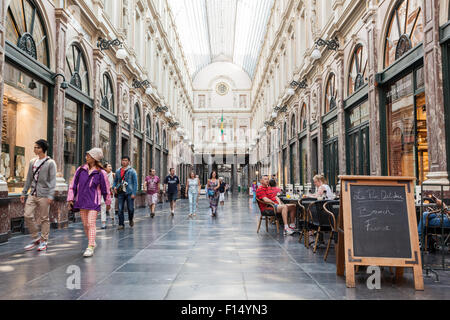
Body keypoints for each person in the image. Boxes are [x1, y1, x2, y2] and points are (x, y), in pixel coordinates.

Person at [67, 148, 111, 257]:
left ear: (95, 158)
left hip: (93, 202)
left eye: (89, 155)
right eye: (86, 155)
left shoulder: (101, 173)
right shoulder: (80, 169)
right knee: (86, 225)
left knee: (91, 223)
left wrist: (108, 202)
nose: (86, 157)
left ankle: (90, 246)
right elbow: (73, 185)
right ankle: (92, 242)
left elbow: (106, 189)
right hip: (81, 201)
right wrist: (70, 199)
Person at [21, 139, 57, 252]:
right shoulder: (32, 161)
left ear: (42, 149)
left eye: (37, 147)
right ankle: (36, 237)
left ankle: (44, 241)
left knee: (44, 219)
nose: (35, 149)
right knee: (27, 215)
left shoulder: (50, 163)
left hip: (44, 194)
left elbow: (53, 180)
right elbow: (29, 179)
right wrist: (24, 192)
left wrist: (51, 195)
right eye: (35, 147)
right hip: (32, 193)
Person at [113, 156, 138, 230]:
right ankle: (121, 224)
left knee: (130, 208)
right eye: (123, 160)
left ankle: (130, 219)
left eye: (126, 160)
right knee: (120, 209)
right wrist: (114, 187)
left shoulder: (132, 171)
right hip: (120, 192)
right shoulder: (118, 171)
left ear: (129, 162)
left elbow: (135, 183)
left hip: (129, 192)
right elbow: (115, 181)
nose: (124, 162)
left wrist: (134, 193)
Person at [100, 163, 115, 229]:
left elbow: (116, 182)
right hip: (103, 193)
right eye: (109, 166)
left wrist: (113, 187)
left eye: (111, 166)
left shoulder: (113, 174)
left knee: (111, 208)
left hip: (111, 193)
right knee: (103, 207)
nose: (110, 167)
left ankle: (113, 218)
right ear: (105, 168)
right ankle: (103, 223)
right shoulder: (102, 174)